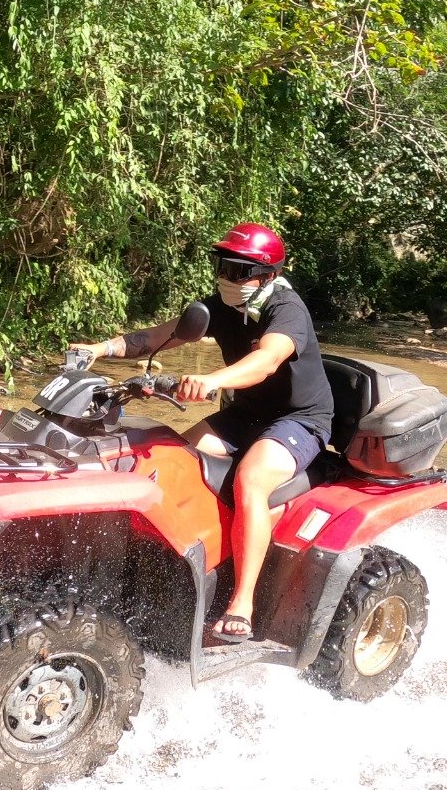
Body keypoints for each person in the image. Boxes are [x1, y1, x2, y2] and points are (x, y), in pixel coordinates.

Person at [70, 223, 334, 642]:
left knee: (250, 480)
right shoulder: (221, 307)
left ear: (267, 275)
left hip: (298, 420)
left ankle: (241, 602)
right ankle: (180, 561)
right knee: (170, 457)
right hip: (244, 413)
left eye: (239, 270)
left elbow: (267, 360)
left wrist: (210, 380)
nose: (229, 278)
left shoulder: (287, 309)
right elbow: (153, 337)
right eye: (223, 267)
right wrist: (98, 350)